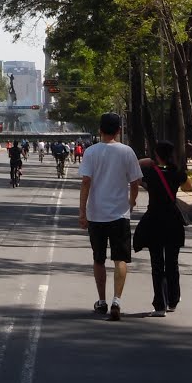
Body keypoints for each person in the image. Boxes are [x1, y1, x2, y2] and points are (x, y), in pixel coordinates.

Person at [79, 112, 142, 321]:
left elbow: (85, 182)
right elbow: (135, 183)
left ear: (100, 130)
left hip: (96, 215)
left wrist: (82, 212)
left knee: (98, 259)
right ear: (118, 130)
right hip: (119, 215)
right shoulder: (127, 152)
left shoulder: (91, 152)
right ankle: (117, 300)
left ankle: (102, 301)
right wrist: (131, 202)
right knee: (120, 258)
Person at [135, 141, 187, 316]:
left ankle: (160, 305)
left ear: (156, 155)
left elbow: (134, 170)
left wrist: (148, 161)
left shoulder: (150, 172)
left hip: (155, 219)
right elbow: (187, 185)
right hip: (173, 220)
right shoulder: (177, 172)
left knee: (157, 263)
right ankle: (173, 300)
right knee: (172, 262)